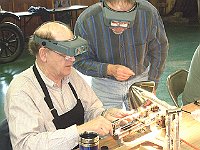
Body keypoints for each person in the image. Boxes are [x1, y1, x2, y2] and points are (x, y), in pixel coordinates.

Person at [4, 21, 132, 150]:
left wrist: (105, 116)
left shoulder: (71, 75)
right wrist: (79, 131)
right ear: (43, 54)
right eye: (65, 54)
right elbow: (25, 145)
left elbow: (91, 109)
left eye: (73, 53)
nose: (72, 59)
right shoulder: (22, 91)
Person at [74, 0, 169, 109]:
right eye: (113, 22)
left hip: (140, 82)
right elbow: (79, 60)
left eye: (125, 23)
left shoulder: (148, 13)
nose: (119, 28)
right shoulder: (87, 21)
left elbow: (160, 49)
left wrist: (152, 83)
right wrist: (108, 69)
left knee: (142, 122)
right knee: (107, 124)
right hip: (105, 86)